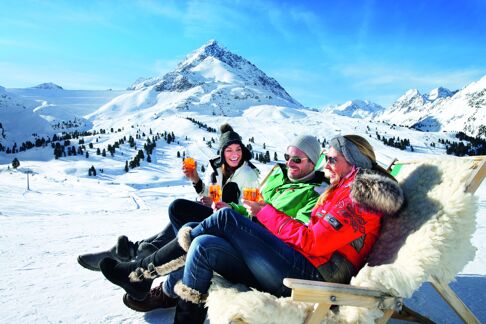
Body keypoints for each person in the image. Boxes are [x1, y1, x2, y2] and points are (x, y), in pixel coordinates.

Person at [101, 134, 405, 323]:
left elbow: (313, 241)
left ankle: (140, 273)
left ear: (350, 163)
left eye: (331, 158)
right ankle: (153, 286)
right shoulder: (341, 188)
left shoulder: (357, 197)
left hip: (314, 279)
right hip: (294, 261)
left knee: (223, 222)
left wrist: (265, 214)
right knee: (204, 242)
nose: (326, 163)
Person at [99, 135, 327, 312]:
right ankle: (153, 264)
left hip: (262, 248)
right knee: (180, 209)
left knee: (203, 233)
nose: (289, 163)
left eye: (297, 159)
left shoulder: (314, 193)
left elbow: (295, 236)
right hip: (240, 225)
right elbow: (251, 204)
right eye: (287, 157)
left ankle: (156, 279)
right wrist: (231, 207)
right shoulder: (277, 176)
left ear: (313, 162)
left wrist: (246, 217)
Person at [77, 123, 259, 271]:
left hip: (227, 226)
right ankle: (133, 251)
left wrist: (222, 205)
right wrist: (195, 178)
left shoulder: (250, 176)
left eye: (238, 149)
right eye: (229, 150)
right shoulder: (216, 169)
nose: (234, 154)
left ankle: (133, 251)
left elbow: (251, 213)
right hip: (210, 215)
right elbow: (208, 196)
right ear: (222, 152)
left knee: (178, 211)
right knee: (178, 220)